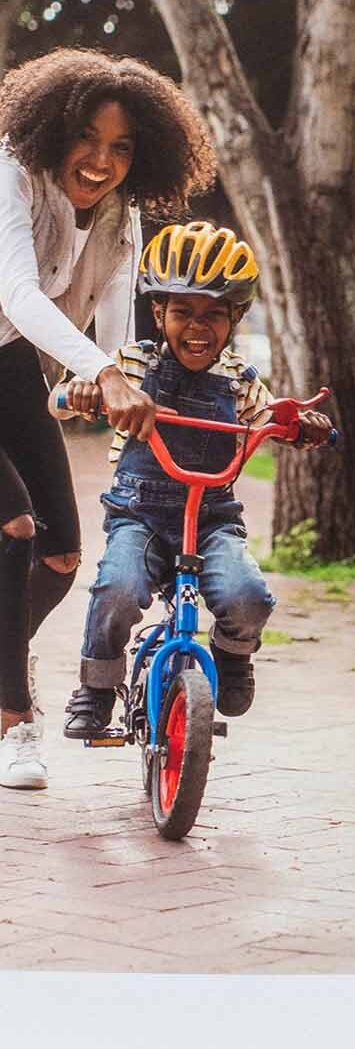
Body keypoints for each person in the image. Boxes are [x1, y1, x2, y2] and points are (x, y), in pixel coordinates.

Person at [0, 48, 216, 791]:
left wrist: (121, 369)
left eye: (121, 147)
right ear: (52, 129)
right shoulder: (12, 175)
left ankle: (2, 651)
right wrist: (97, 371)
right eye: (87, 138)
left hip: (8, 365)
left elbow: (120, 298)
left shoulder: (120, 212)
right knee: (14, 528)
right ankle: (14, 725)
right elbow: (21, 296)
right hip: (12, 336)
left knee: (60, 555)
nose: (100, 160)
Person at [52, 220, 332, 741]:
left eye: (214, 314)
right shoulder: (132, 365)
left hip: (212, 521)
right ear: (158, 313)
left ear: (235, 318)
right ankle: (96, 687)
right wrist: (81, 396)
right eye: (182, 311)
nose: (197, 327)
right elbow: (62, 400)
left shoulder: (240, 380)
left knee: (248, 596)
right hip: (141, 517)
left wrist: (299, 426)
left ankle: (231, 655)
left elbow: (271, 413)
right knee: (117, 588)